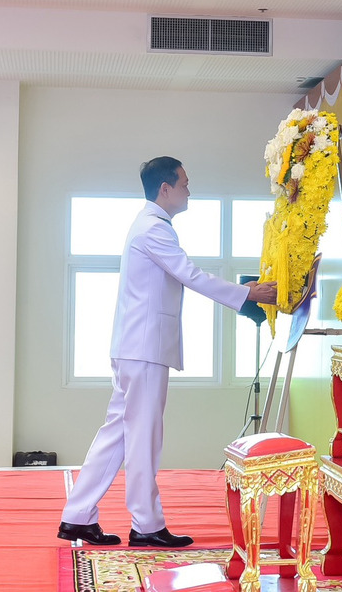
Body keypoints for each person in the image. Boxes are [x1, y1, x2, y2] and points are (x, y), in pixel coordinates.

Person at [57, 157, 277, 548]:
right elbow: (189, 274)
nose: (189, 191)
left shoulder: (148, 225)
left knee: (117, 435)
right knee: (143, 437)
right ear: (165, 189)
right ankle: (146, 524)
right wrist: (246, 293)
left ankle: (77, 517)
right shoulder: (153, 228)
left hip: (135, 347)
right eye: (185, 184)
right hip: (143, 349)